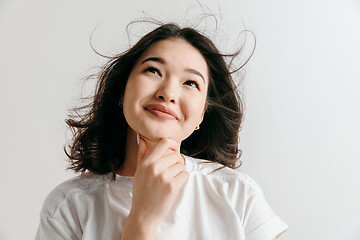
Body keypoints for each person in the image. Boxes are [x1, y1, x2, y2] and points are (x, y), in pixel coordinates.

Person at [36, 22, 288, 240]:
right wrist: (142, 219)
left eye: (190, 83)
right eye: (153, 70)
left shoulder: (238, 195)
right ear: (122, 92)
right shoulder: (67, 207)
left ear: (201, 115)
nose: (167, 92)